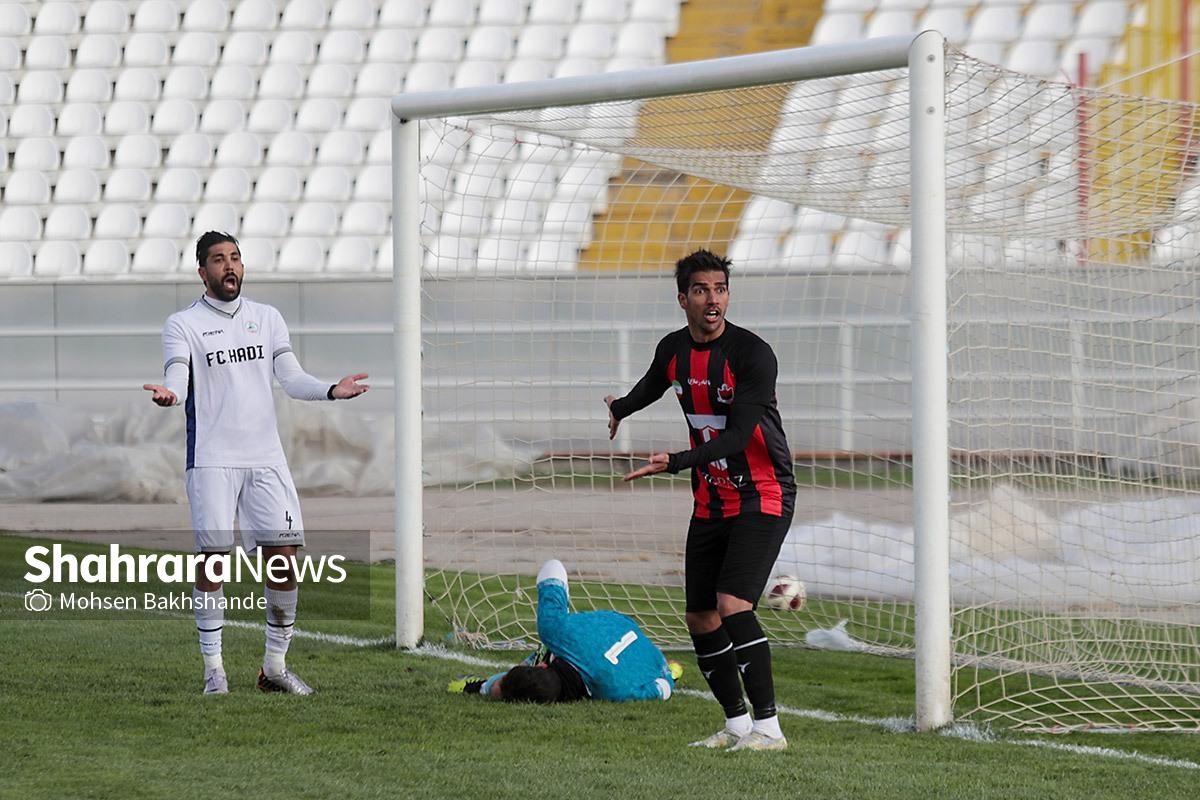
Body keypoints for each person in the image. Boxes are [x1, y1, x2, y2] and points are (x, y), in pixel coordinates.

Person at [144, 231, 369, 696]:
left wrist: (331, 390)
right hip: (212, 460)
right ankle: (214, 671)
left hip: (266, 460)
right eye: (218, 259)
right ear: (202, 271)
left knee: (284, 561)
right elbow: (178, 377)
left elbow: (291, 378)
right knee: (213, 561)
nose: (229, 266)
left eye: (235, 258)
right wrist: (171, 396)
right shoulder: (182, 324)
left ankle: (274, 668)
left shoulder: (267, 318)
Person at [604, 249, 796, 752]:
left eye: (720, 289)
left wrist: (675, 461)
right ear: (682, 299)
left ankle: (770, 730)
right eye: (701, 290)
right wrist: (621, 408)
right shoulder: (673, 350)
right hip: (711, 498)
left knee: (732, 605)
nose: (713, 299)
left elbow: (737, 438)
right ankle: (736, 726)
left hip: (763, 493)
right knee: (701, 618)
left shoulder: (753, 354)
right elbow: (652, 386)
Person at [448, 559, 679, 703]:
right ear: (543, 666)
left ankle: (478, 686)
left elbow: (663, 687)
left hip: (651, 656)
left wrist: (668, 672)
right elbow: (553, 566)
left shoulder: (614, 694)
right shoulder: (554, 630)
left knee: (514, 680)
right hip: (618, 625)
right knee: (546, 649)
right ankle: (482, 686)